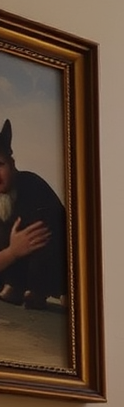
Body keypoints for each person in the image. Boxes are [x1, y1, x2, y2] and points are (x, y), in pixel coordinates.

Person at [0, 118, 67, 309]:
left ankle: (40, 289)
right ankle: (14, 285)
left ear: (12, 164)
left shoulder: (32, 187)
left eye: (0, 164)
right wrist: (12, 252)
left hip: (47, 263)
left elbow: (47, 235)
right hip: (10, 272)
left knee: (40, 233)